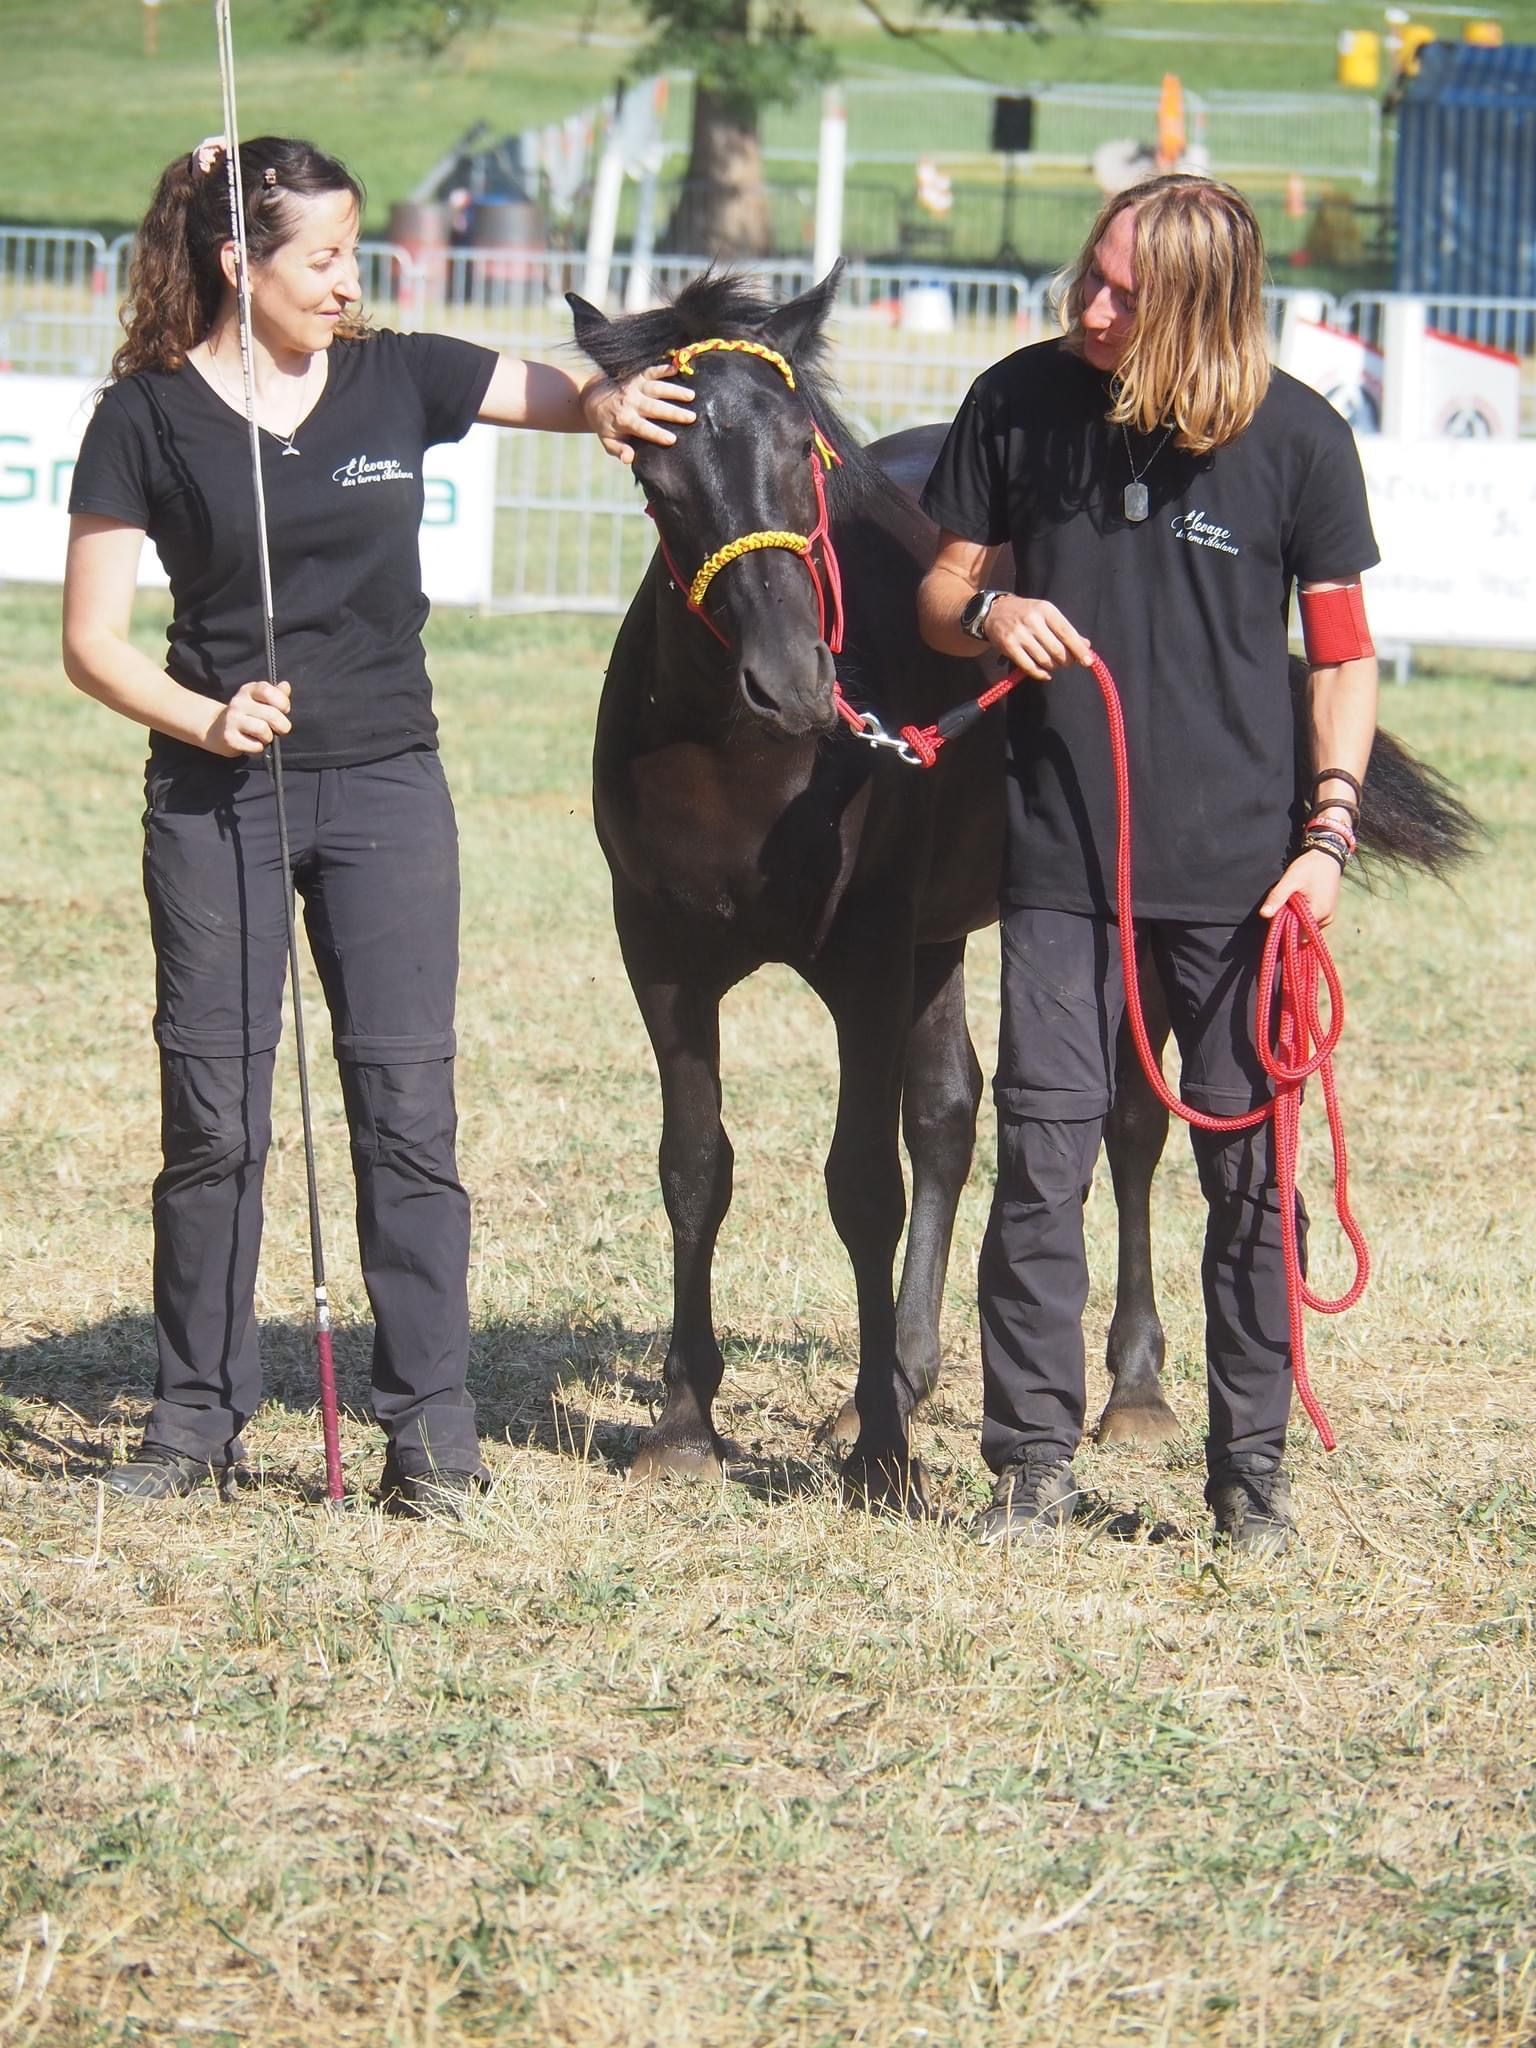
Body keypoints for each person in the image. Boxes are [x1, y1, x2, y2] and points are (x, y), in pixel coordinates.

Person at [62, 135, 695, 1508]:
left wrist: (614, 399)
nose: (352, 281)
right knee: (218, 1122)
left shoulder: (401, 374)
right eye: (325, 257)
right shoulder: (146, 418)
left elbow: (565, 395)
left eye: (356, 253)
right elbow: (92, 643)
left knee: (407, 1110)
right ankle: (193, 1422)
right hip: (217, 798)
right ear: (243, 263)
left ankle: (432, 1430)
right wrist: (202, 717)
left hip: (389, 790)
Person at [916, 174, 1379, 1553]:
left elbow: (1344, 661)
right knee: (1042, 1161)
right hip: (1059, 865)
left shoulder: (1302, 441)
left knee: (1250, 1186)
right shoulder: (1015, 401)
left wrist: (1330, 836)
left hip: (1244, 891)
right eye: (1092, 275)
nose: (1092, 305)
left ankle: (1251, 1478)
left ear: (1202, 304)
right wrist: (993, 611)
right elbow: (940, 599)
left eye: (1127, 293)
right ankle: (1029, 1469)